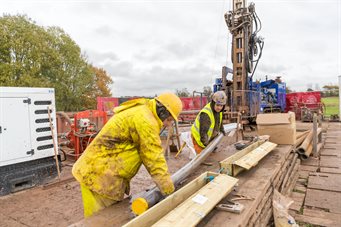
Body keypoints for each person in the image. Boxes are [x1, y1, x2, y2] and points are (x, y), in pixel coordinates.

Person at [72, 92, 183, 217]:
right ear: (162, 111)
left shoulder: (144, 111)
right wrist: (168, 191)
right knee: (101, 220)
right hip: (99, 176)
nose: (167, 124)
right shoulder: (145, 120)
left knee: (108, 218)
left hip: (105, 173)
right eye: (168, 120)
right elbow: (154, 159)